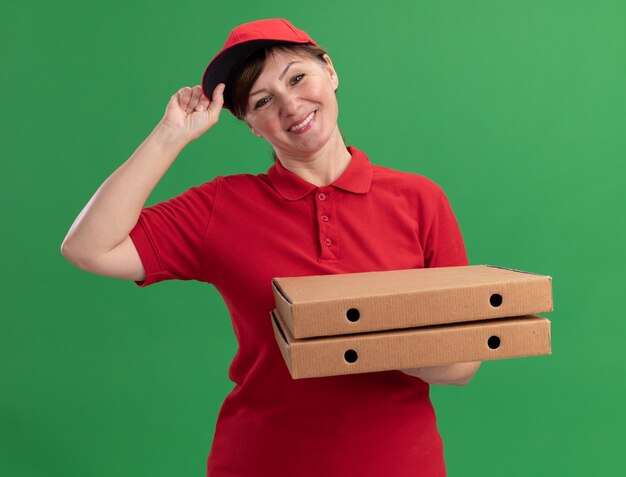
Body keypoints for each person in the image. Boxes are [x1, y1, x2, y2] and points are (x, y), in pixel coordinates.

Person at [61, 18, 481, 477]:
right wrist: (170, 135)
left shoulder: (419, 199)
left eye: (297, 77)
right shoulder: (222, 206)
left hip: (399, 463)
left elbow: (462, 363)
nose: (290, 105)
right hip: (261, 461)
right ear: (251, 126)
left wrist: (354, 336)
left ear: (331, 71)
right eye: (263, 101)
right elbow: (89, 248)